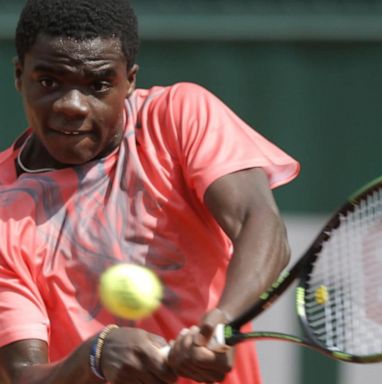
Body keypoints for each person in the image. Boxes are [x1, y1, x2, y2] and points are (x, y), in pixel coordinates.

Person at [0, 0, 300, 383]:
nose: (72, 105)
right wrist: (96, 355)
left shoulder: (178, 116)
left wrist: (222, 321)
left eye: (99, 85)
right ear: (18, 74)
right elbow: (22, 376)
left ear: (130, 81)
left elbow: (258, 221)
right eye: (49, 82)